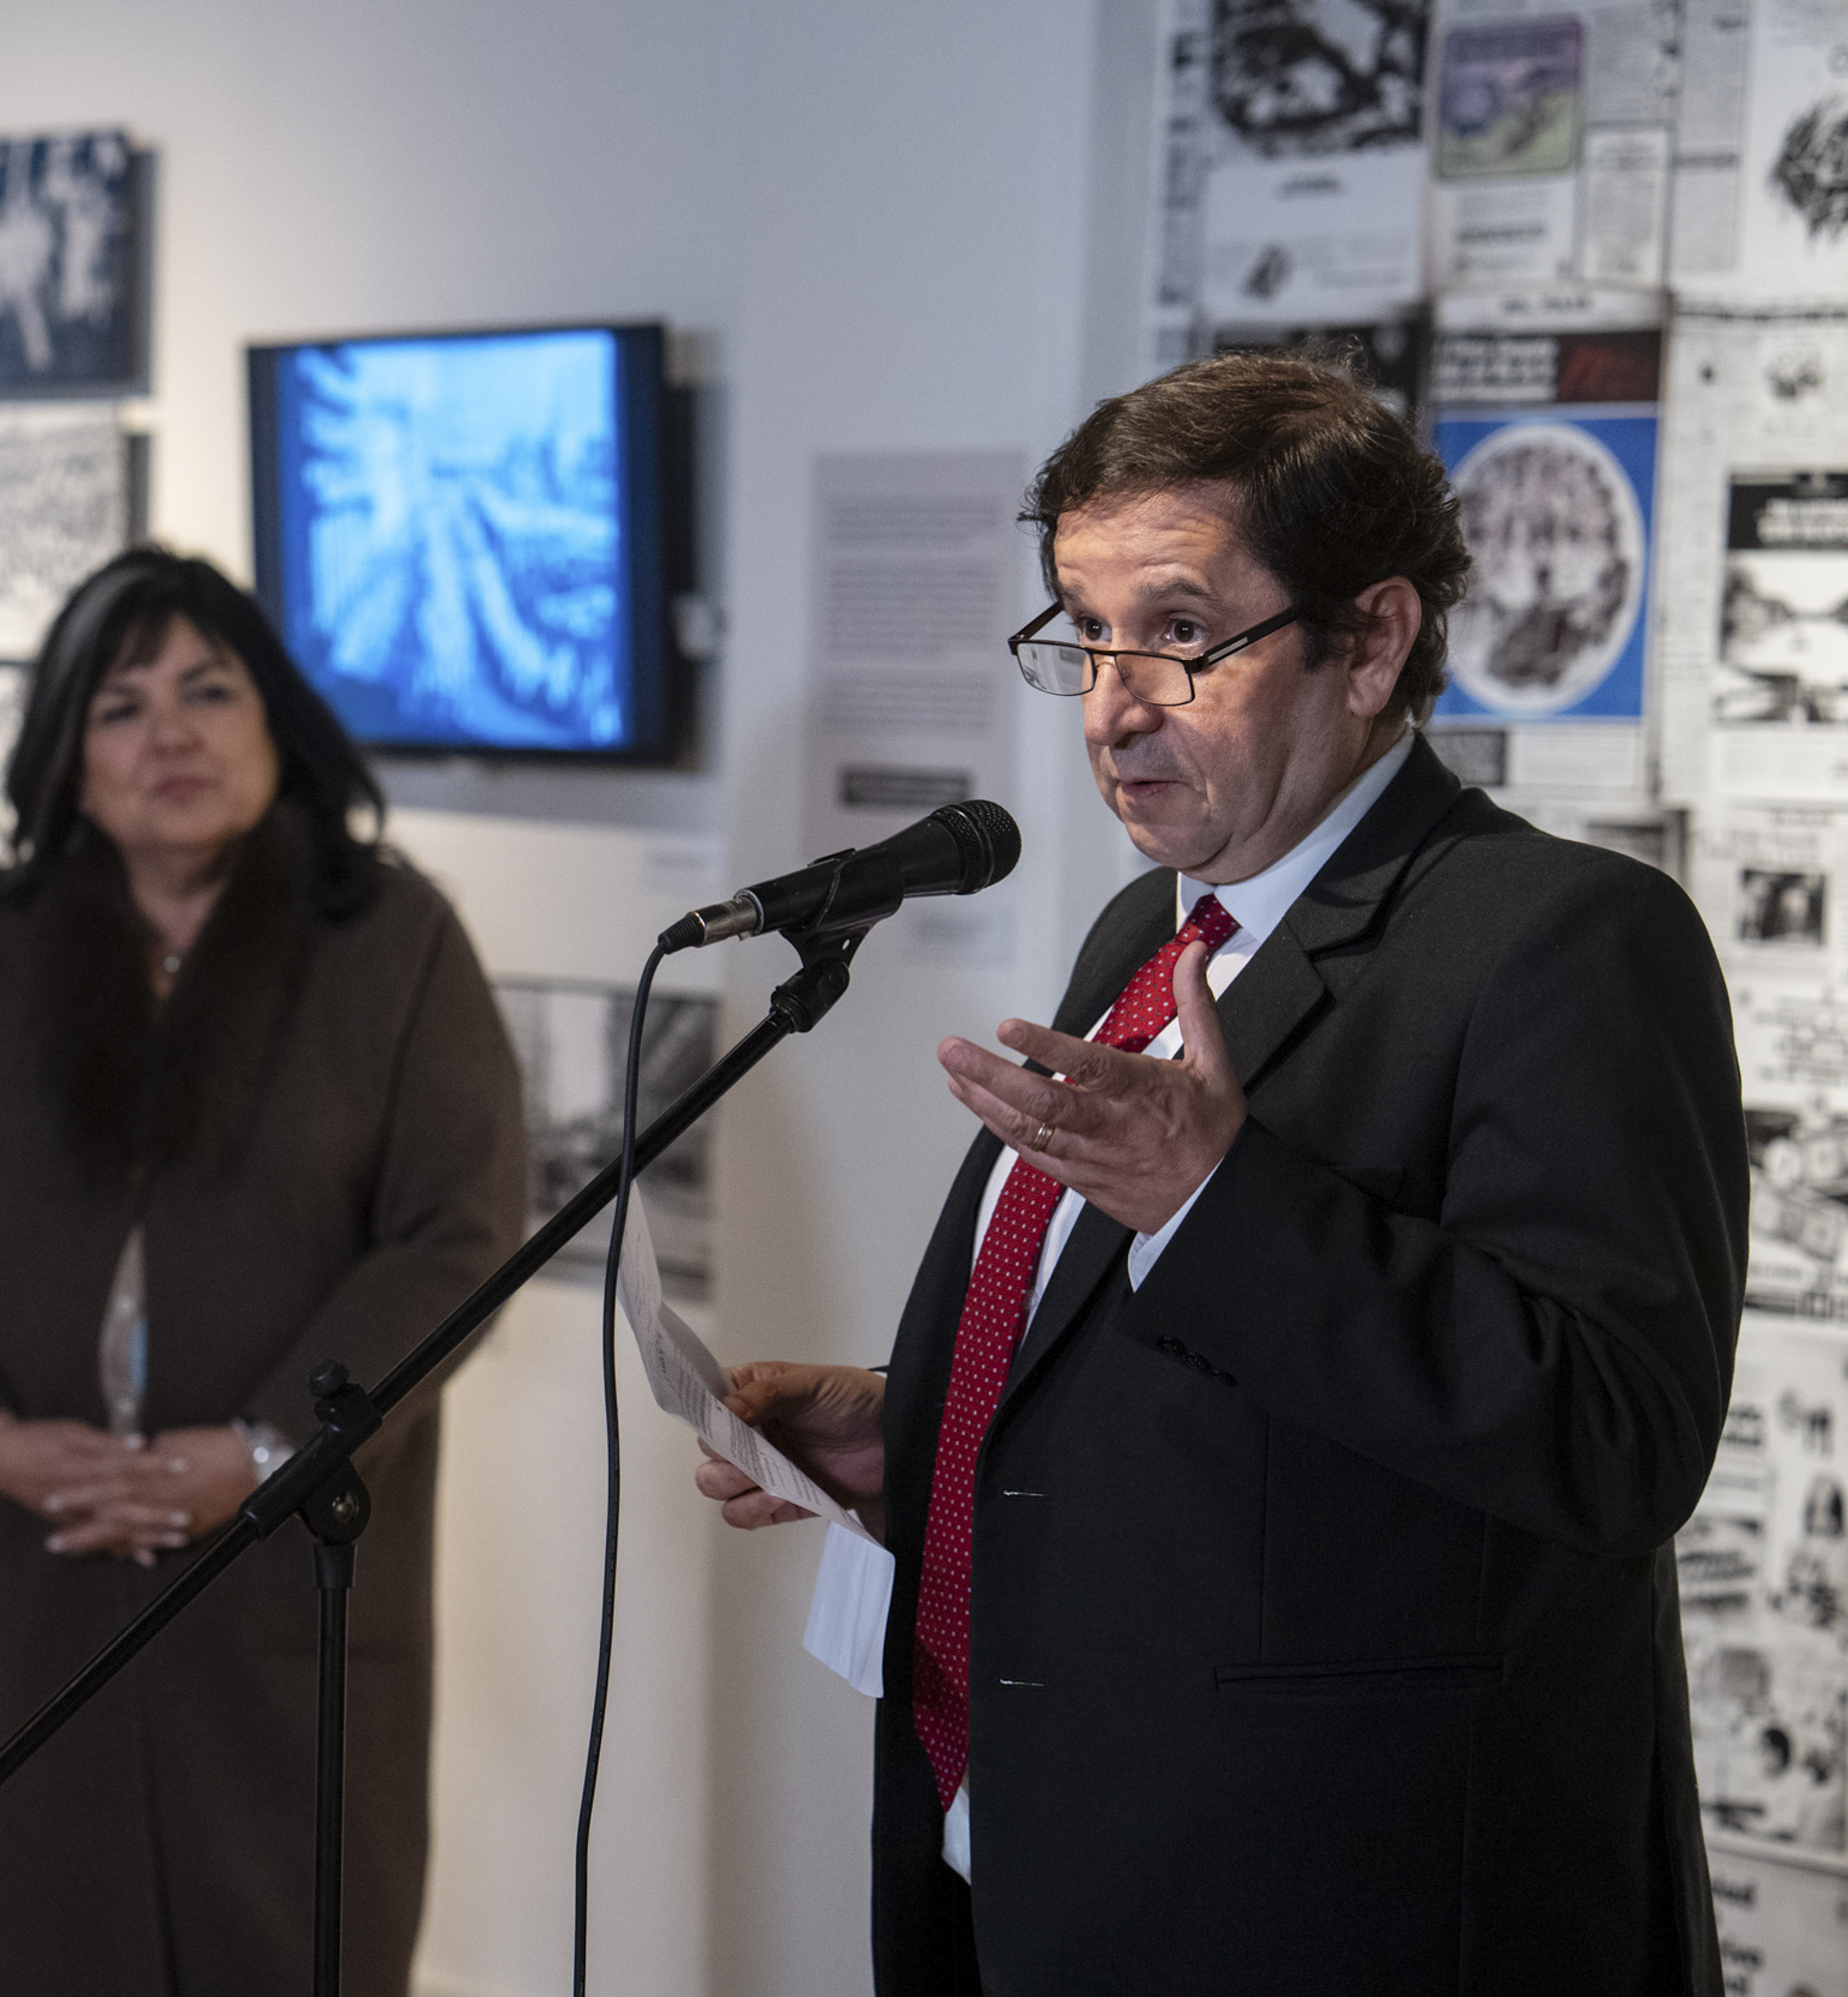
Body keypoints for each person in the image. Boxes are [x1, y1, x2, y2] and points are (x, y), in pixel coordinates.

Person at [694, 354, 1745, 1996]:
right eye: (1085, 628)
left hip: (1340, 1912)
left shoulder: (1561, 942)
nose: (1114, 702)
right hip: (1038, 1865)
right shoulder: (1156, 927)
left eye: (1182, 632)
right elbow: (1215, 1395)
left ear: (1373, 639)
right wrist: (928, 1436)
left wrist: (1219, 1199)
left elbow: (1618, 1437)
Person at [0, 547, 526, 1997]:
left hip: (285, 1561)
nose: (174, 737)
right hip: (29, 1559)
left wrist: (271, 1448)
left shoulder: (392, 943)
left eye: (210, 693)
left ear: (275, 721)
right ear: (68, 757)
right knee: (30, 1928)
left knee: (288, 1932)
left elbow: (454, 1234)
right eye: (124, 706)